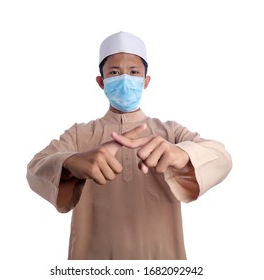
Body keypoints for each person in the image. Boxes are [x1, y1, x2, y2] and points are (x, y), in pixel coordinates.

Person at [26, 31, 232, 260]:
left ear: (146, 81)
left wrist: (182, 154)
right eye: (114, 73)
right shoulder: (79, 134)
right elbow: (35, 169)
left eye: (134, 72)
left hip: (162, 262)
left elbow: (221, 157)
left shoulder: (170, 132)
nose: (125, 79)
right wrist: (71, 162)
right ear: (101, 82)